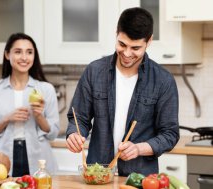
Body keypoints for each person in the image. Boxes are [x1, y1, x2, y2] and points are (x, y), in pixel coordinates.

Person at [65, 7, 180, 176]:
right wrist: (74, 134)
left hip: (139, 178)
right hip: (97, 175)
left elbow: (169, 134)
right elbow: (79, 117)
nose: (126, 53)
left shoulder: (163, 81)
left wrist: (139, 149)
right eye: (122, 44)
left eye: (135, 48)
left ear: (149, 41)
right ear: (116, 34)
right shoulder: (94, 71)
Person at [0, 33, 60, 177]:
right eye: (18, 52)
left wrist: (38, 116)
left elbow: (54, 133)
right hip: (4, 158)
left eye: (29, 52)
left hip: (39, 157)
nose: (24, 57)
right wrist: (6, 118)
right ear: (7, 54)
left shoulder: (45, 89)